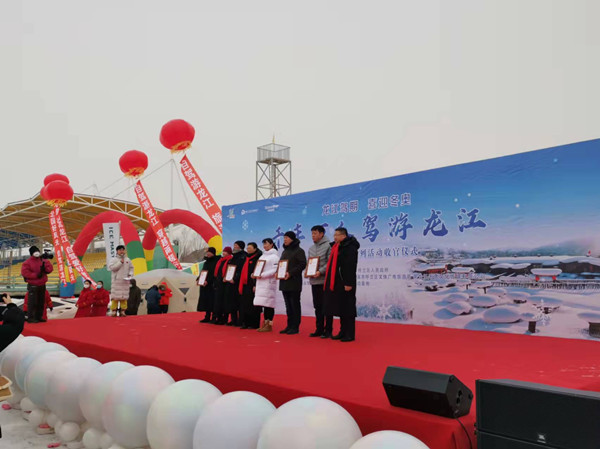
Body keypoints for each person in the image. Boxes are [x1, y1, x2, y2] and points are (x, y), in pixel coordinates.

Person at [324, 227, 360, 342]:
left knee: (348, 308)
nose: (334, 237)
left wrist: (348, 283)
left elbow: (350, 267)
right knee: (342, 307)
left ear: (343, 236)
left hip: (347, 282)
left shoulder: (350, 248)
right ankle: (342, 331)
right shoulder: (337, 247)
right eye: (334, 235)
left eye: (337, 235)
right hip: (339, 282)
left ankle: (350, 334)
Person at [278, 231, 307, 335]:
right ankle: (289, 325)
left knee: (294, 304)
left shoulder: (299, 251)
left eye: (287, 238)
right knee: (288, 305)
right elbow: (281, 265)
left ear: (292, 239)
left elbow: (302, 264)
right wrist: (278, 272)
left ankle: (295, 327)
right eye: (284, 238)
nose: (285, 240)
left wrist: (290, 273)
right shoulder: (284, 251)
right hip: (284, 282)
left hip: (294, 282)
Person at [308, 225, 333, 338]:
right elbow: (309, 263)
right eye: (312, 233)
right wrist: (307, 272)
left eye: (315, 233)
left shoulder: (328, 246)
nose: (313, 236)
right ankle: (319, 329)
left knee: (327, 306)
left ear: (322, 234)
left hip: (324, 281)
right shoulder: (311, 248)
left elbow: (330, 262)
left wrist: (320, 271)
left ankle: (328, 330)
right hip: (314, 281)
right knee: (317, 306)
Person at [21, 245, 54, 323]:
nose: (36, 253)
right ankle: (31, 318)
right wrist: (36, 275)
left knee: (41, 302)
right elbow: (25, 273)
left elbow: (50, 269)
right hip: (33, 285)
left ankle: (39, 317)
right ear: (31, 253)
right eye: (34, 252)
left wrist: (46, 265)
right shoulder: (27, 263)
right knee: (32, 302)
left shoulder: (43, 260)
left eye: (37, 251)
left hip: (42, 284)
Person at [254, 238, 280, 332]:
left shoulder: (275, 257)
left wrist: (262, 275)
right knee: (263, 304)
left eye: (266, 244)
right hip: (261, 282)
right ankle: (265, 323)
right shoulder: (262, 256)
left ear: (272, 244)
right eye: (263, 244)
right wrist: (255, 274)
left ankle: (269, 324)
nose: (264, 246)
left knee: (269, 304)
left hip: (268, 282)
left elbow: (275, 270)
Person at [238, 242, 263, 329]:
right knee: (245, 304)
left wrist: (255, 284)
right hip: (246, 284)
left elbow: (258, 272)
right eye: (247, 248)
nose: (248, 249)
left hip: (253, 284)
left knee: (254, 305)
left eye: (250, 248)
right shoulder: (246, 258)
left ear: (255, 249)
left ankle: (254, 324)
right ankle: (246, 322)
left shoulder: (258, 258)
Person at [224, 241, 246, 326]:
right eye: (234, 245)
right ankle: (234, 320)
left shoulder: (243, 257)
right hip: (230, 282)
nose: (234, 247)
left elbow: (241, 270)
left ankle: (241, 320)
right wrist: (226, 277)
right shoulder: (233, 257)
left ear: (240, 247)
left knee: (239, 302)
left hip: (238, 282)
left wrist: (235, 278)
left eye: (236, 245)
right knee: (231, 301)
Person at [108, 245, 134, 317]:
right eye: (120, 250)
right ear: (117, 251)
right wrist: (120, 262)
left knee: (124, 297)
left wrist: (130, 274)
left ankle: (123, 311)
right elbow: (112, 268)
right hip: (116, 281)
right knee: (115, 297)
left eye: (123, 250)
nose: (122, 251)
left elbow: (131, 268)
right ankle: (114, 311)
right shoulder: (113, 260)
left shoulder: (128, 260)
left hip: (125, 281)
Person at [197, 247, 220, 323]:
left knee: (212, 301)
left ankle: (214, 317)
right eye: (207, 253)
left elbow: (214, 273)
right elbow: (203, 271)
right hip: (204, 284)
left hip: (212, 285)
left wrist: (208, 281)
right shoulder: (206, 261)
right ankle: (207, 316)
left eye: (209, 252)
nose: (208, 254)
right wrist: (199, 279)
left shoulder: (216, 261)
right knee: (206, 301)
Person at [212, 247, 233, 324]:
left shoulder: (230, 260)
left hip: (226, 283)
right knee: (218, 301)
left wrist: (226, 277)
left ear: (229, 253)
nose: (223, 253)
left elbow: (231, 270)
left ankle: (224, 318)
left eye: (225, 252)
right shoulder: (220, 260)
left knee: (225, 301)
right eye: (223, 251)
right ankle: (218, 317)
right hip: (219, 282)